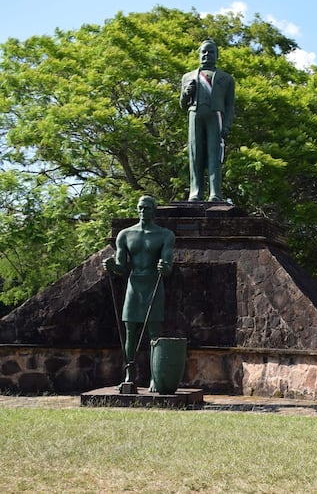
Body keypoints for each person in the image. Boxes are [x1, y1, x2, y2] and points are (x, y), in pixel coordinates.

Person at [103, 195, 175, 390]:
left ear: (154, 211)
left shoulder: (165, 235)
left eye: (147, 208)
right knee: (130, 332)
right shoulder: (125, 235)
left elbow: (168, 267)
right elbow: (120, 267)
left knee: (154, 334)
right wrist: (111, 266)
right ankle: (129, 374)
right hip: (134, 285)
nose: (143, 211)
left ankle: (155, 377)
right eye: (140, 208)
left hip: (153, 284)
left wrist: (164, 267)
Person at [179, 39, 235, 202]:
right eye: (203, 52)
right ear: (199, 54)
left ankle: (215, 192)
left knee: (214, 155)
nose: (206, 55)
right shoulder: (188, 77)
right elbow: (182, 105)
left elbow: (230, 106)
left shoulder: (226, 78)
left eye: (211, 52)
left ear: (217, 55)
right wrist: (186, 94)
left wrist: (227, 125)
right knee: (195, 154)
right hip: (195, 114)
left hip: (215, 116)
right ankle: (195, 192)